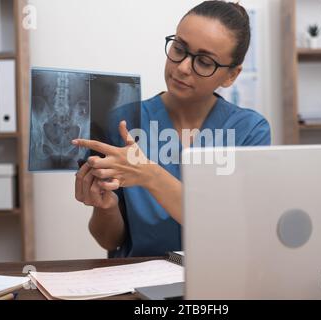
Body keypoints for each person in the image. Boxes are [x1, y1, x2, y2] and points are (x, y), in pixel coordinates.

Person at [72, 0, 271, 257]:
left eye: (205, 62)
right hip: (138, 283)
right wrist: (105, 207)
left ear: (231, 75)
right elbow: (110, 241)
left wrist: (148, 174)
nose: (183, 67)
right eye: (179, 48)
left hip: (218, 278)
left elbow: (227, 227)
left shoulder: (250, 131)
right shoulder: (122, 122)